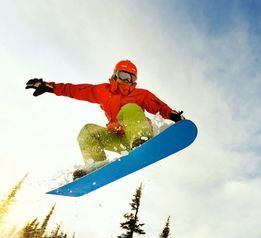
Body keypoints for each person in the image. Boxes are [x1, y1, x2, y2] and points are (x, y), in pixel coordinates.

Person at [26, 59, 185, 179]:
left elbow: (159, 106)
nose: (127, 81)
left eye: (131, 78)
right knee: (87, 130)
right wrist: (51, 87)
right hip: (119, 139)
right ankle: (96, 164)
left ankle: (141, 140)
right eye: (124, 75)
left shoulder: (141, 94)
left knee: (129, 108)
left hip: (139, 134)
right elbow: (79, 90)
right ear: (115, 74)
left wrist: (173, 115)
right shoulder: (103, 91)